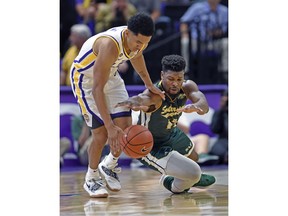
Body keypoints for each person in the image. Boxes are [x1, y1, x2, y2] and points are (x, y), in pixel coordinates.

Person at [70, 12, 165, 198]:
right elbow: (97, 88)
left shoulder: (137, 41)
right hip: (87, 82)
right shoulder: (109, 45)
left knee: (125, 128)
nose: (142, 46)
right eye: (139, 42)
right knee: (102, 133)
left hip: (111, 77)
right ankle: (91, 177)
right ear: (128, 33)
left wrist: (148, 84)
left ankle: (110, 164)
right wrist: (109, 125)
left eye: (146, 42)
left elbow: (137, 56)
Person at [116, 54, 216, 194]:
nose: (175, 83)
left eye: (179, 79)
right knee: (192, 173)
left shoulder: (187, 86)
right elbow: (142, 99)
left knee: (194, 157)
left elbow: (203, 103)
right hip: (150, 144)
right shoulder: (155, 94)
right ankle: (171, 183)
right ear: (162, 75)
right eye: (170, 79)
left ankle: (184, 179)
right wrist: (133, 102)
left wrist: (197, 107)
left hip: (171, 134)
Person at [180, 0, 228, 83]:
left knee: (227, 43)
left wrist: (217, 32)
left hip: (213, 41)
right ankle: (185, 72)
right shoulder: (197, 7)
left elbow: (224, 29)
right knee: (185, 42)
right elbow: (184, 22)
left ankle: (224, 72)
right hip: (195, 40)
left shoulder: (225, 10)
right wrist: (185, 34)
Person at [209, 89, 228, 164]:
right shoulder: (219, 113)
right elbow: (215, 129)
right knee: (218, 151)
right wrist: (222, 110)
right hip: (224, 139)